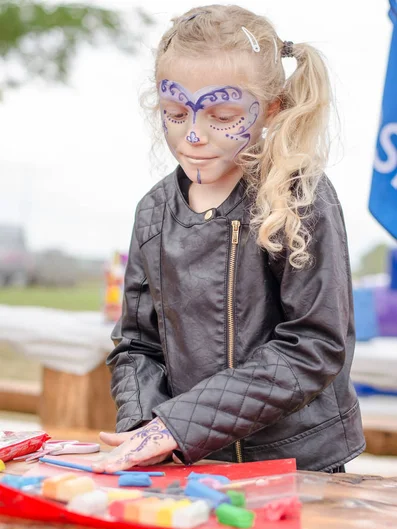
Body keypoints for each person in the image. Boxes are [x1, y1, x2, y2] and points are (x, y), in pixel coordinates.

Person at [93, 4, 365, 474]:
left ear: (271, 109)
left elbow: (315, 344)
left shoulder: (299, 196)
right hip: (193, 463)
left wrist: (177, 427)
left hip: (300, 466)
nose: (193, 134)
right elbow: (137, 344)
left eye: (221, 114)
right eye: (175, 112)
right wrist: (146, 428)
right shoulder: (153, 212)